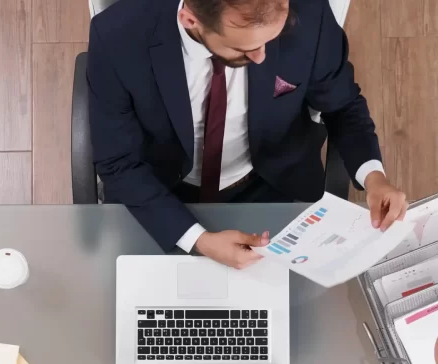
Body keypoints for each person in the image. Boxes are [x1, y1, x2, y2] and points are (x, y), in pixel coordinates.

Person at [87, 0, 407, 269]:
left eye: (271, 39)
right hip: (158, 191)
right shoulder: (116, 37)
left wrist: (373, 177)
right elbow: (119, 163)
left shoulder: (310, 13)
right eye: (245, 48)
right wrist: (197, 239)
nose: (262, 57)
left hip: (271, 184)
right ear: (190, 20)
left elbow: (343, 106)